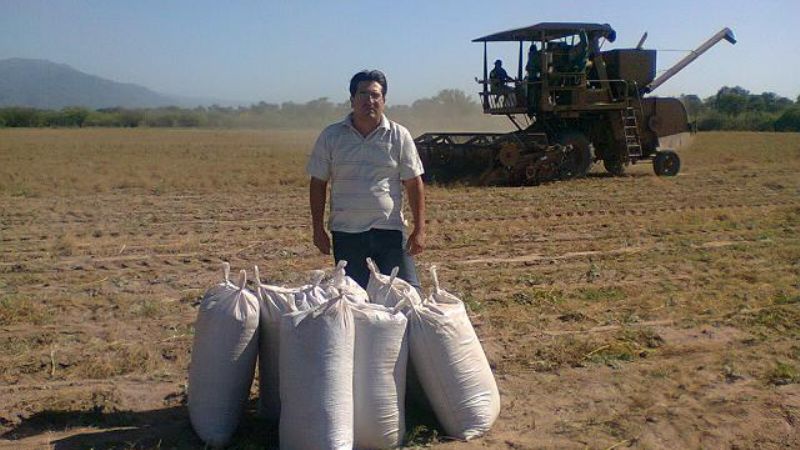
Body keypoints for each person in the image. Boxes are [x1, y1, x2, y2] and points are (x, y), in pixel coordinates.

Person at [306, 69, 426, 289]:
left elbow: (413, 183)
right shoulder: (331, 136)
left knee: (407, 294)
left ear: (384, 100)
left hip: (390, 230)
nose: (369, 100)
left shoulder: (399, 136)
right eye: (363, 94)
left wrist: (419, 229)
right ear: (352, 100)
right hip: (347, 234)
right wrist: (317, 228)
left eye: (375, 95)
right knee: (355, 299)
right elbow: (318, 183)